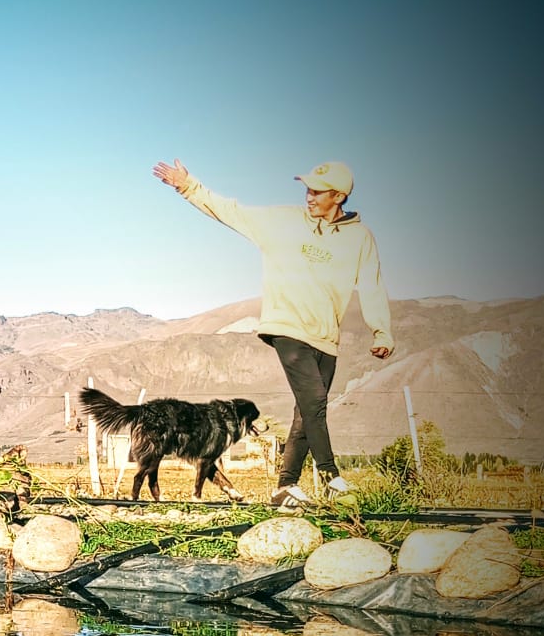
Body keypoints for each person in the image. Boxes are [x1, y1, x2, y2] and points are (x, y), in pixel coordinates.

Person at [152, 158, 395, 507]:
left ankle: (286, 486)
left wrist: (382, 331)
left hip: (326, 338)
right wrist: (188, 186)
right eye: (307, 189)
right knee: (315, 403)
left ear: (339, 196)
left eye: (318, 192)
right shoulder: (284, 222)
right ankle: (331, 478)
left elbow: (372, 285)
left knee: (306, 413)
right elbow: (232, 212)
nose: (309, 196)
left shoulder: (360, 238)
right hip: (287, 329)